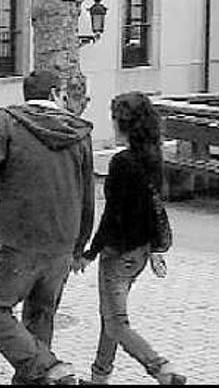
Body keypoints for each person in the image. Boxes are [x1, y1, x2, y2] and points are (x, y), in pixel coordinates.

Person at [0, 69, 94, 385]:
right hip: (61, 244)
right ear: (57, 94)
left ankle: (51, 368)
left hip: (18, 240)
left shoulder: (7, 124)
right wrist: (81, 246)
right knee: (40, 317)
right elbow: (87, 194)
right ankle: (43, 374)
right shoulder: (78, 132)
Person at [74, 92, 184, 385]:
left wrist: (90, 252)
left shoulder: (123, 162)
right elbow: (151, 207)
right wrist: (155, 249)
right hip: (140, 252)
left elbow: (113, 215)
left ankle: (162, 369)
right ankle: (99, 377)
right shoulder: (152, 157)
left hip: (118, 253)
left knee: (116, 323)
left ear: (121, 123)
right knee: (109, 316)